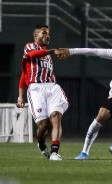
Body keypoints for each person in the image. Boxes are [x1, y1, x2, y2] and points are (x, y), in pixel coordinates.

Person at [16, 25, 69, 161]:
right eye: (44, 33)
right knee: (43, 125)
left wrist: (50, 52)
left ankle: (54, 152)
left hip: (52, 87)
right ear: (35, 36)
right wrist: (21, 96)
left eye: (48, 33)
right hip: (36, 89)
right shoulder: (29, 47)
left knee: (56, 116)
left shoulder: (47, 54)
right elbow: (24, 75)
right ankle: (40, 143)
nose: (47, 36)